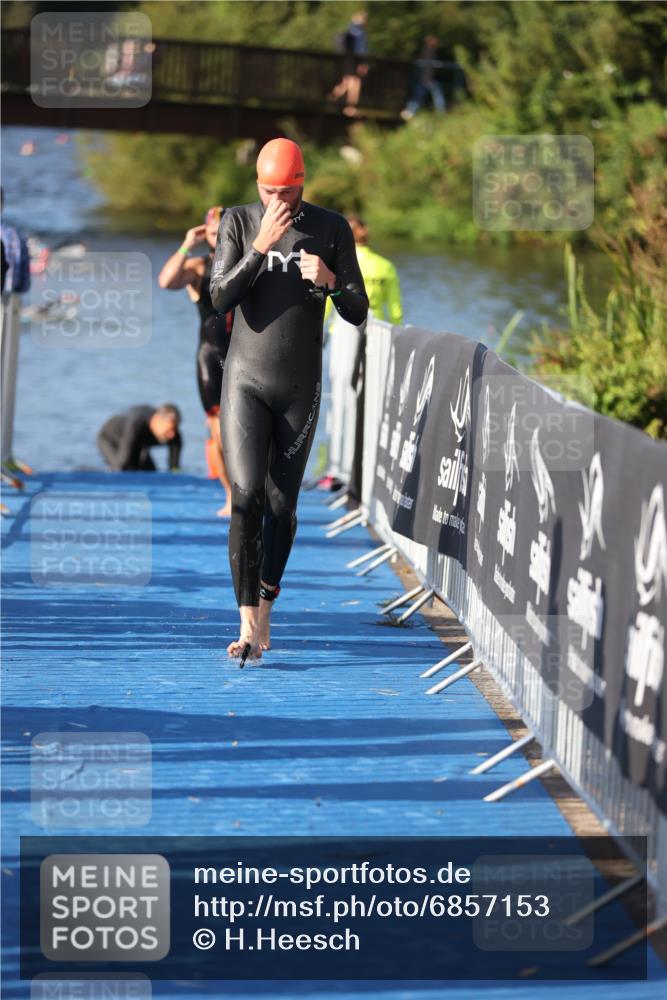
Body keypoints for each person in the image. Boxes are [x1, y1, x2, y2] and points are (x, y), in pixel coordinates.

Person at [210, 137, 368, 664]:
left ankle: (267, 603)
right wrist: (261, 246)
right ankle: (246, 622)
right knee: (246, 495)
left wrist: (327, 283)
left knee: (282, 507)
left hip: (299, 386)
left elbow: (358, 310)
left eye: (285, 191)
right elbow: (219, 299)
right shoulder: (238, 221)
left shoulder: (330, 228)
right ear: (257, 184)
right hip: (245, 381)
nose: (276, 199)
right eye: (267, 190)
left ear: (301, 183)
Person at [158, 205, 233, 516]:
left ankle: (254, 492)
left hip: (245, 354)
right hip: (211, 356)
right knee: (218, 430)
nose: (218, 239)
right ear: (206, 235)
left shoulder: (249, 261)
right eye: (213, 233)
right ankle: (232, 497)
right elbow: (165, 281)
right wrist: (188, 243)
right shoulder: (199, 267)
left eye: (223, 233)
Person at [321, 215, 402, 490]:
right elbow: (397, 312)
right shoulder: (386, 266)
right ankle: (363, 471)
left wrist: (319, 334)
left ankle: (338, 470)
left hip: (345, 330)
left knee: (341, 401)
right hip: (377, 333)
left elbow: (330, 304)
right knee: (369, 401)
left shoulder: (341, 263)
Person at [97, 404, 182, 472]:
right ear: (157, 420)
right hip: (109, 439)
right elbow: (124, 461)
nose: (172, 435)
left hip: (138, 443)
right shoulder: (137, 423)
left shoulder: (174, 436)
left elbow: (174, 469)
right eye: (169, 430)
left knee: (151, 472)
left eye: (175, 429)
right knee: (122, 469)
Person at [329, 11, 370, 117]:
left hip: (347, 60)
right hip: (354, 61)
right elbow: (361, 49)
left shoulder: (349, 29)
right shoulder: (359, 32)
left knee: (347, 82)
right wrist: (363, 63)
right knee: (355, 83)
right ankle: (350, 109)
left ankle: (331, 99)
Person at [401, 35, 446, 120]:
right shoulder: (429, 51)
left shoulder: (428, 51)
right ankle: (441, 112)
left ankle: (409, 111)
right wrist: (428, 77)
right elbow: (427, 66)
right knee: (435, 96)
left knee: (419, 96)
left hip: (426, 79)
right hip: (427, 79)